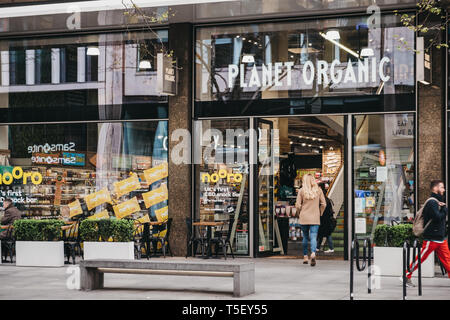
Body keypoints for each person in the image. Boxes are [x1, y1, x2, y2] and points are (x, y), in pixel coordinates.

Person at [402, 180, 450, 287]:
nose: (444, 190)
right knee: (420, 258)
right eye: (442, 187)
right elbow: (437, 217)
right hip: (432, 238)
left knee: (447, 260)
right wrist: (444, 209)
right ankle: (406, 275)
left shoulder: (437, 202)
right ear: (435, 189)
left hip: (440, 238)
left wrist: (442, 208)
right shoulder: (432, 202)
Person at [295, 174, 326, 266]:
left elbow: (298, 205)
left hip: (304, 216)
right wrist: (320, 213)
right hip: (315, 217)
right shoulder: (318, 190)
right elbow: (324, 204)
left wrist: (299, 212)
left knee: (305, 236)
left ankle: (305, 256)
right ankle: (313, 253)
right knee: (313, 236)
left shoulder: (301, 191)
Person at [317, 183, 336, 254]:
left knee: (325, 234)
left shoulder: (322, 199)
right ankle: (318, 247)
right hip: (327, 218)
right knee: (324, 233)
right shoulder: (327, 198)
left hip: (324, 218)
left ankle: (331, 248)